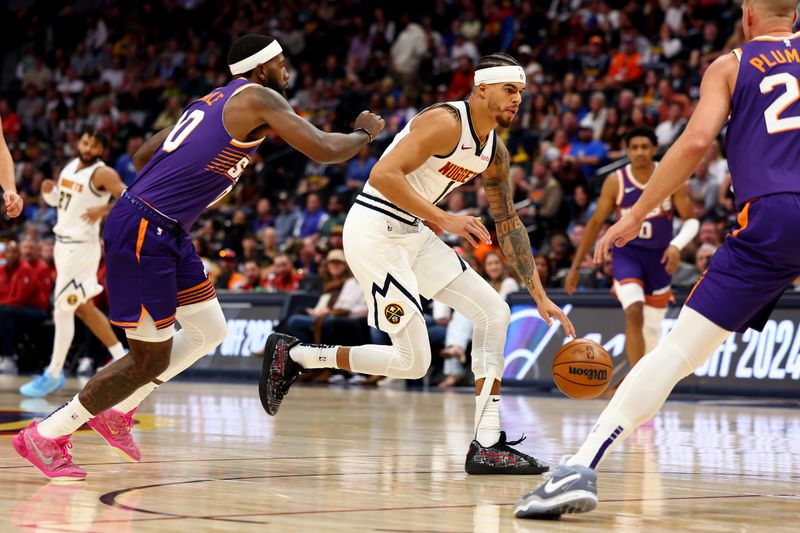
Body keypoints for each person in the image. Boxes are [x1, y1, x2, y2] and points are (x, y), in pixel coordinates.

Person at [13, 33, 384, 481]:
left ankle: (118, 412)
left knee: (209, 329)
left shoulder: (211, 101)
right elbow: (325, 149)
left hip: (166, 227)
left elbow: (143, 153)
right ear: (263, 68)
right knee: (147, 359)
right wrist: (365, 132)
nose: (287, 72)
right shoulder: (261, 98)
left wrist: (198, 166)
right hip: (144, 229)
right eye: (282, 64)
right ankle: (47, 433)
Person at [515, 0, 800, 518]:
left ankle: (580, 467)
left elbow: (694, 143)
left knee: (676, 354)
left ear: (749, 16)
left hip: (774, 217)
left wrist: (635, 213)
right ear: (795, 18)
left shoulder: (731, 65)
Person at [261, 52, 575, 475]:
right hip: (375, 230)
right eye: (510, 89)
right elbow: (382, 174)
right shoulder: (445, 121)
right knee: (414, 363)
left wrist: (540, 296)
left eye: (521, 91)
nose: (518, 99)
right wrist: (446, 219)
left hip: (413, 233)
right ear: (482, 88)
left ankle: (488, 443)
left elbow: (509, 223)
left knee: (494, 312)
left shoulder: (494, 152)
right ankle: (298, 356)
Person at [565, 127, 697, 373]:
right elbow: (594, 223)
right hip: (627, 255)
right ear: (627, 150)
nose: (639, 152)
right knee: (634, 310)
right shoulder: (616, 180)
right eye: (634, 147)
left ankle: (646, 379)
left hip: (659, 259)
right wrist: (575, 266)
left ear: (654, 149)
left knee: (652, 328)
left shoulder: (670, 176)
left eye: (645, 147)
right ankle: (635, 382)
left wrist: (677, 245)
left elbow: (692, 219)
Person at [20, 130, 128, 398]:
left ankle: (54, 373)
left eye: (93, 144)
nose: (87, 147)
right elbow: (60, 202)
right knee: (82, 308)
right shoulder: (70, 166)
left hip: (80, 248)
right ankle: (121, 356)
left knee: (62, 309)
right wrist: (48, 194)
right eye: (84, 142)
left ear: (102, 148)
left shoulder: (103, 174)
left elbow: (128, 197)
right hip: (63, 245)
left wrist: (102, 210)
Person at [438, 251, 520, 388]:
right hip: (484, 321)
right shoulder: (486, 283)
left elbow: (500, 306)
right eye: (489, 264)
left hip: (503, 322)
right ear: (485, 268)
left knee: (464, 315)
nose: (493, 267)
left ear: (502, 265)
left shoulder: (509, 282)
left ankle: (455, 363)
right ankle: (456, 351)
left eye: (496, 263)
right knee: (460, 314)